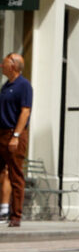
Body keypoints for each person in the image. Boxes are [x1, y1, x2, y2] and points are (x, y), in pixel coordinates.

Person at [0, 53, 31, 228]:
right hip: (1, 132)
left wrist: (16, 136)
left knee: (15, 175)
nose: (1, 65)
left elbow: (25, 111)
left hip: (14, 134)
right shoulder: (6, 86)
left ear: (13, 66)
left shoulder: (23, 85)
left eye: (4, 62)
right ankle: (3, 210)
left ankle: (16, 215)